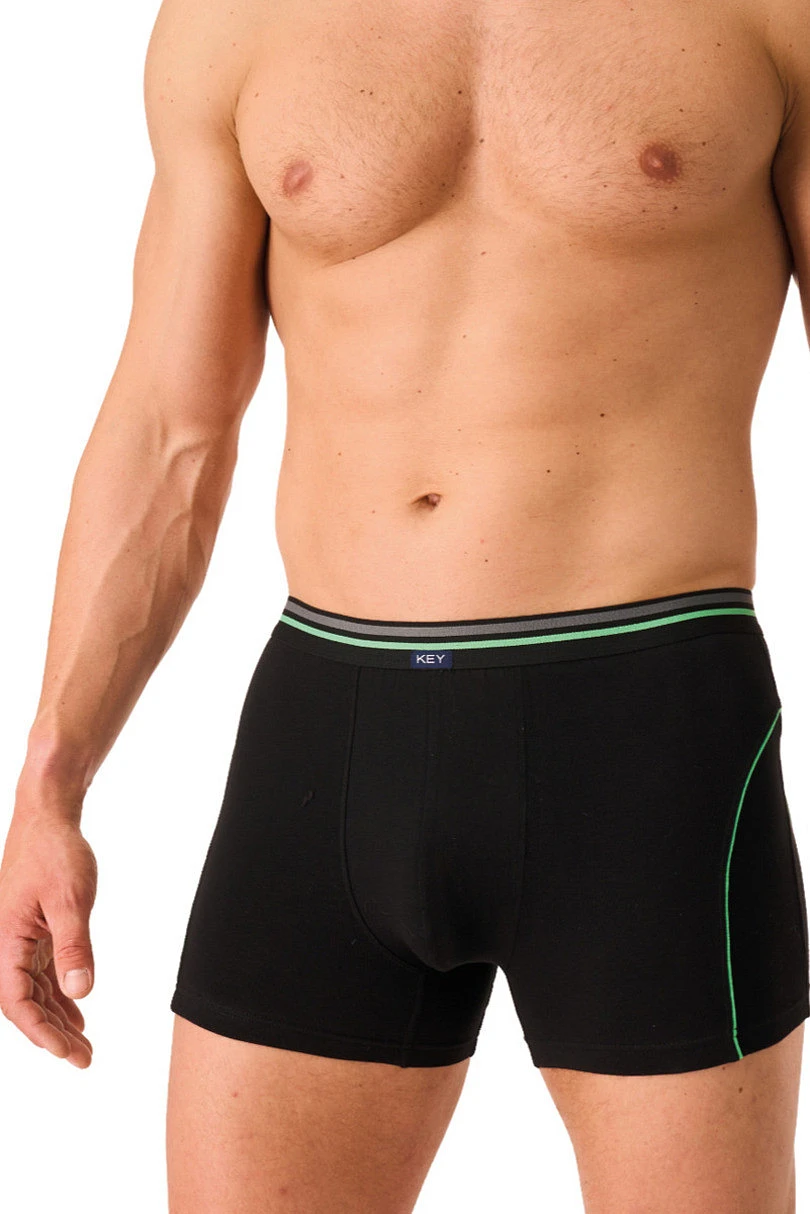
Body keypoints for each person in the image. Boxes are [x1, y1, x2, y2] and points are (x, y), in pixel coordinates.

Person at [1, 0, 809, 1209]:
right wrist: (50, 783)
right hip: (329, 735)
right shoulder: (232, 22)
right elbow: (171, 428)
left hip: (645, 738)